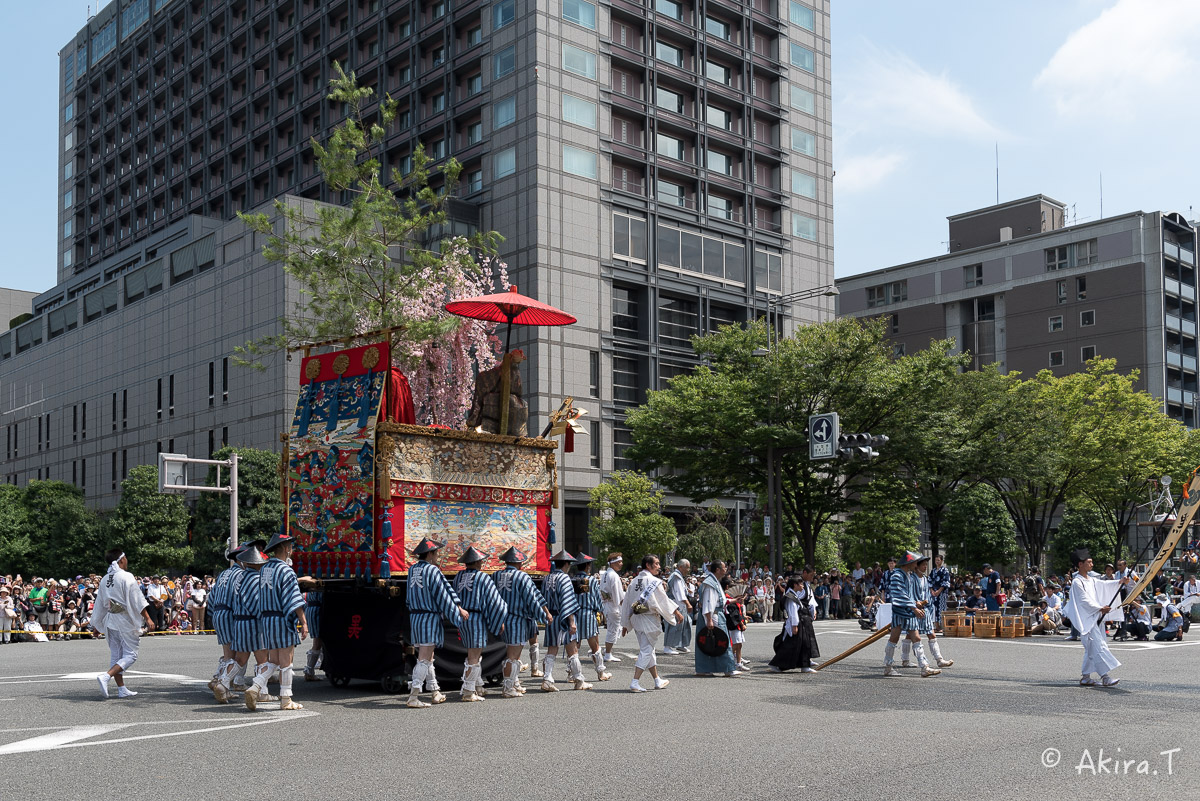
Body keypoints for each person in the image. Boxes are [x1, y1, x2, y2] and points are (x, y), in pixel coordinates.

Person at [243, 532, 309, 711]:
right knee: (286, 661)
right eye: (291, 547)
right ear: (286, 549)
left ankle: (255, 686)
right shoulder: (286, 570)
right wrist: (303, 622)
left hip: (267, 619)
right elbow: (294, 598)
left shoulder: (264, 568)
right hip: (281, 618)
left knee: (273, 660)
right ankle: (286, 698)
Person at [406, 538, 469, 708]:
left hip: (416, 617)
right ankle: (413, 696)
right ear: (430, 553)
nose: (437, 556)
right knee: (424, 658)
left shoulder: (412, 569)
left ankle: (435, 691)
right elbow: (443, 594)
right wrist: (458, 611)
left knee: (428, 656)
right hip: (429, 618)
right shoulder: (432, 571)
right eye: (436, 553)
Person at [89, 549, 155, 698]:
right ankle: (106, 676)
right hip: (125, 619)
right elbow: (137, 600)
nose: (127, 560)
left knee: (116, 655)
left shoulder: (105, 578)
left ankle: (121, 689)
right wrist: (148, 619)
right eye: (125, 558)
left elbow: (99, 603)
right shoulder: (126, 576)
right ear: (121, 560)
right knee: (131, 655)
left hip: (110, 619)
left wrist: (96, 624)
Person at [214, 542, 271, 703]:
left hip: (238, 622)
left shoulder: (237, 577)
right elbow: (257, 604)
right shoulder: (255, 579)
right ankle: (261, 691)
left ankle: (223, 682)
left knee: (239, 659)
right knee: (262, 659)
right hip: (253, 624)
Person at [451, 547, 509, 701]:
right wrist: (499, 621)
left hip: (462, 617)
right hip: (476, 617)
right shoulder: (483, 577)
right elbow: (495, 602)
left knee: (472, 653)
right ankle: (469, 691)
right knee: (474, 655)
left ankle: (477, 685)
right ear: (477, 561)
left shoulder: (458, 577)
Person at [618, 554, 683, 692]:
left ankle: (657, 679)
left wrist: (625, 623)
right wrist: (676, 612)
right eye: (657, 564)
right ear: (648, 565)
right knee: (647, 650)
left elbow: (627, 603)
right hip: (649, 618)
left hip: (637, 619)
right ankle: (635, 681)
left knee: (649, 649)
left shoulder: (634, 581)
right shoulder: (653, 581)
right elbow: (663, 600)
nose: (659, 567)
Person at [493, 546, 551, 698]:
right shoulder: (522, 576)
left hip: (502, 619)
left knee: (512, 654)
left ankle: (514, 683)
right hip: (517, 619)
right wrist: (543, 616)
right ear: (519, 563)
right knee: (513, 656)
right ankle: (508, 687)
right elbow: (531, 599)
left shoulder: (496, 575)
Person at [1063, 547, 1125, 687]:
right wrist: (1099, 608)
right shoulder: (1077, 582)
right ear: (1080, 564)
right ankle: (1105, 677)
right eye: (1089, 562)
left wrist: (1119, 582)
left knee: (1092, 648)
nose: (1092, 564)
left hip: (1095, 618)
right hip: (1087, 620)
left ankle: (1085, 677)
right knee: (1099, 647)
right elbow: (1083, 600)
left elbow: (1104, 585)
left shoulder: (1091, 580)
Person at [539, 550, 591, 692]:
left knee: (551, 650)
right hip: (563, 618)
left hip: (551, 617)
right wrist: (572, 621)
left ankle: (547, 679)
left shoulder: (547, 578)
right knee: (573, 650)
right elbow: (567, 601)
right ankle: (579, 679)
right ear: (567, 564)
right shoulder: (564, 578)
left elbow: (541, 598)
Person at [882, 551, 940, 678]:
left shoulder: (909, 575)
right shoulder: (897, 575)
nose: (916, 564)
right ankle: (888, 667)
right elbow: (899, 594)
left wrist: (916, 602)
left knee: (916, 638)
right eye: (915, 562)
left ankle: (924, 666)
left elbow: (909, 594)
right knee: (894, 638)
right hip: (901, 611)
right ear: (909, 562)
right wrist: (914, 606)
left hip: (909, 611)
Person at [901, 557, 953, 669]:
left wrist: (927, 602)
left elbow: (928, 595)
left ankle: (939, 659)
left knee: (931, 634)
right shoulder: (911, 579)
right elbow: (907, 595)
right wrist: (915, 603)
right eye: (923, 565)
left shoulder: (925, 579)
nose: (925, 567)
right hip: (913, 611)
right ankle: (905, 659)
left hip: (925, 610)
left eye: (926, 565)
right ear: (917, 566)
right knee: (910, 635)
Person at [207, 545, 245, 695]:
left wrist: (212, 614)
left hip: (218, 613)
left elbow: (212, 596)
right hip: (230, 613)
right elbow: (239, 596)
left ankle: (218, 678)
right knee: (234, 653)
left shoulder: (223, 574)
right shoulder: (241, 574)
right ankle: (223, 684)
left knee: (227, 652)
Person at [694, 560, 740, 677]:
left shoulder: (713, 582)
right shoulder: (710, 584)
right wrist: (709, 619)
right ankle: (728, 668)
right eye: (724, 567)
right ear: (718, 570)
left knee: (707, 642)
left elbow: (720, 600)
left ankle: (704, 668)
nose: (726, 569)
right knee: (721, 641)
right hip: (713, 615)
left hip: (712, 614)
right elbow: (709, 602)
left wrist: (734, 600)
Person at [571, 553, 612, 682]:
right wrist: (601, 611)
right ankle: (600, 672)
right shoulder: (592, 580)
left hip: (574, 614)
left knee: (574, 645)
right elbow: (596, 598)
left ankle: (571, 673)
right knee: (594, 644)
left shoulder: (571, 580)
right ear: (588, 566)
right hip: (588, 614)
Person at [769, 570, 819, 673]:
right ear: (795, 585)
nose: (802, 586)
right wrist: (794, 626)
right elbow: (793, 613)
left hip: (799, 623)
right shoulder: (791, 597)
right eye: (800, 584)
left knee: (800, 646)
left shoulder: (794, 595)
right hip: (796, 624)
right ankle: (777, 664)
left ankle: (804, 665)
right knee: (793, 646)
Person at [598, 552, 625, 663]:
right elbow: (617, 594)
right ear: (613, 563)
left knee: (612, 629)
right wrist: (623, 604)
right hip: (614, 605)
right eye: (619, 562)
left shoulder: (605, 574)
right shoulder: (613, 575)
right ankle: (608, 653)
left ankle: (607, 650)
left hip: (607, 604)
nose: (621, 564)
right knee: (613, 630)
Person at [663, 559, 693, 654]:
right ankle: (667, 647)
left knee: (685, 625)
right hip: (675, 605)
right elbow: (680, 594)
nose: (688, 570)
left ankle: (681, 644)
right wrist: (688, 604)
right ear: (680, 567)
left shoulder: (678, 576)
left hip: (680, 605)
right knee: (673, 625)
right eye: (687, 567)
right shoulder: (676, 577)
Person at [303, 589, 324, 682]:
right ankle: (309, 671)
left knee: (319, 642)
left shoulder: (311, 583)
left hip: (311, 609)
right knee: (318, 642)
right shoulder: (318, 583)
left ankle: (311, 670)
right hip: (316, 610)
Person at [929, 555, 951, 632]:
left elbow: (946, 582)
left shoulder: (945, 570)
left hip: (942, 592)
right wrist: (931, 590)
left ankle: (942, 626)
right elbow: (930, 581)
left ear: (942, 561)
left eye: (938, 560)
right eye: (936, 560)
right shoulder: (933, 571)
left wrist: (939, 591)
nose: (937, 562)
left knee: (941, 608)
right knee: (934, 608)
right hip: (933, 593)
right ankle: (936, 625)